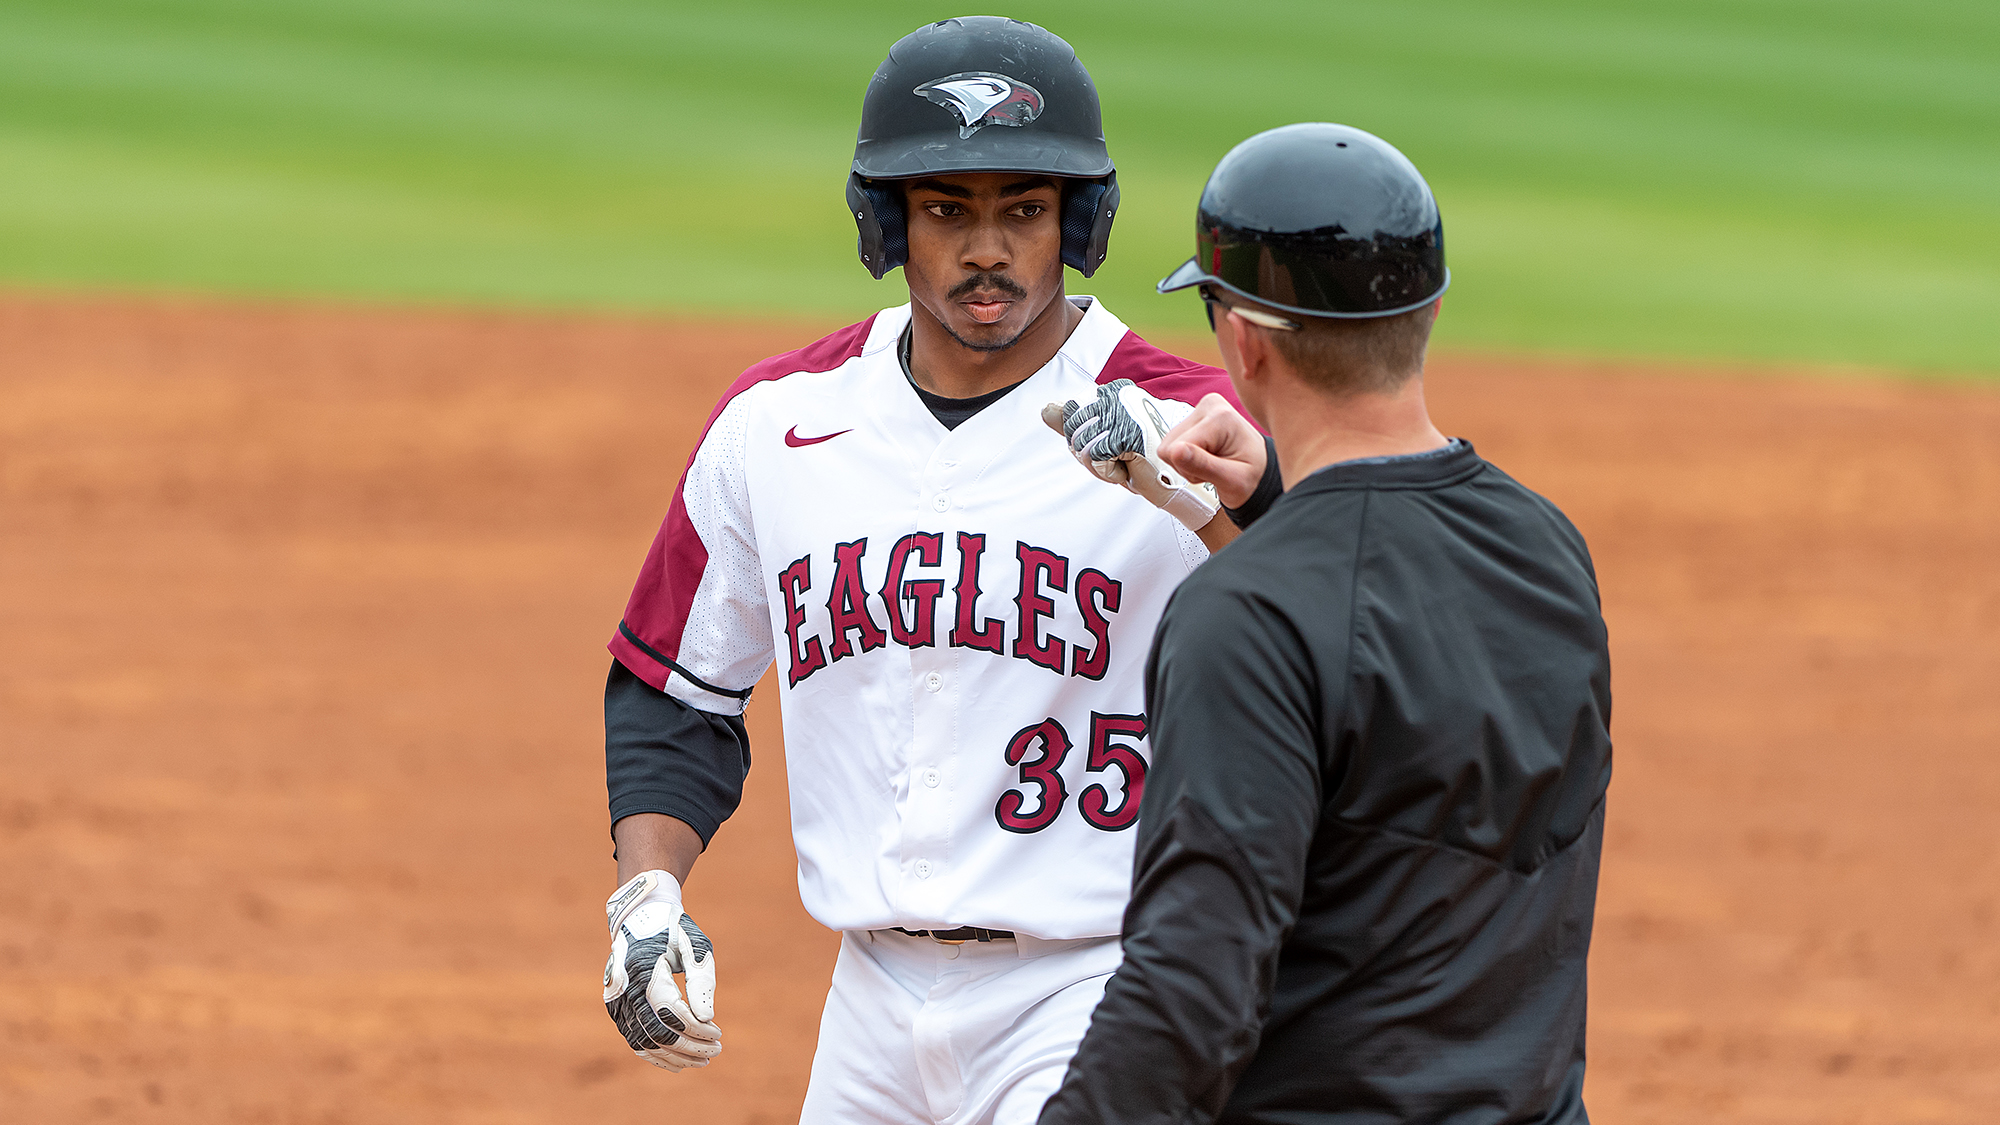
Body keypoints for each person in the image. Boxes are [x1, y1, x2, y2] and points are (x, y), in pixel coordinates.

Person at [596, 17, 1247, 1125]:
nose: (986, 250)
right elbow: (675, 689)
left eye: (1023, 211)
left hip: (1099, 985)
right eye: (947, 209)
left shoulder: (1190, 421)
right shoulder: (778, 425)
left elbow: (1347, 633)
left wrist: (1202, 505)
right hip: (870, 1007)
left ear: (1074, 223)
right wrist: (645, 895)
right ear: (887, 220)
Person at [1035, 123, 1614, 1125]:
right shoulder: (1545, 548)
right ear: (1424, 311)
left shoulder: (1244, 614)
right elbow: (1393, 666)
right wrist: (1268, 503)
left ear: (1243, 341)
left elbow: (1188, 995)